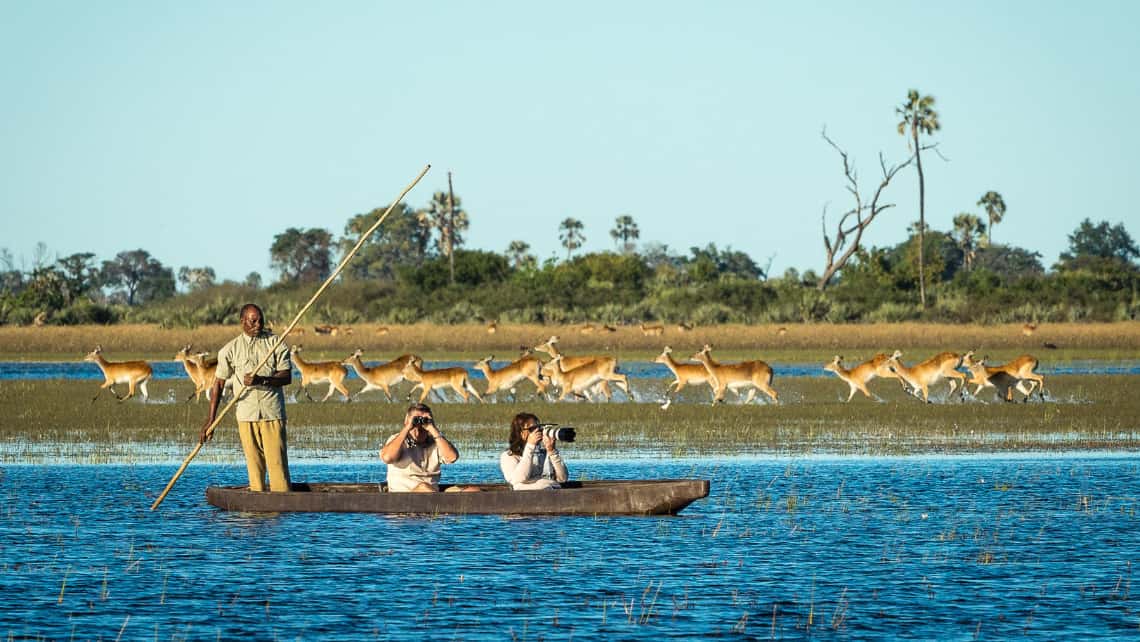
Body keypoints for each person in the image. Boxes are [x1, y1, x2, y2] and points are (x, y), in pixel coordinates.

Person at [200, 303, 293, 492]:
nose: (258, 325)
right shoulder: (230, 349)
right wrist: (211, 420)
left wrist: (262, 380)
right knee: (254, 466)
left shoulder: (275, 343)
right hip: (246, 415)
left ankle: (282, 511)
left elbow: (286, 376)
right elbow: (218, 383)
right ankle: (257, 507)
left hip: (271, 414)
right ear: (242, 322)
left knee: (277, 466)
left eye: (260, 320)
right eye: (253, 321)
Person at [380, 403, 477, 492]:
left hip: (432, 494)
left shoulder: (436, 441)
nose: (419, 427)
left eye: (423, 421)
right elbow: (387, 457)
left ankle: (445, 505)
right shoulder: (397, 440)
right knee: (424, 487)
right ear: (406, 420)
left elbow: (451, 458)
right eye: (416, 420)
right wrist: (408, 427)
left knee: (473, 491)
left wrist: (432, 428)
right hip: (405, 496)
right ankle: (445, 505)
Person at [500, 412, 569, 490]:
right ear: (521, 433)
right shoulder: (509, 456)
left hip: (552, 495)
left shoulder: (543, 454)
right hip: (524, 498)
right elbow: (517, 479)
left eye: (539, 428)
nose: (537, 431)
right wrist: (530, 446)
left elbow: (563, 479)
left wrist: (552, 451)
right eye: (532, 429)